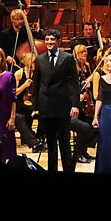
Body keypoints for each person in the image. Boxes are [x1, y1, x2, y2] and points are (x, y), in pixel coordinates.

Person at [34, 29, 80, 172]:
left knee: (65, 143)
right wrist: (35, 107)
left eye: (52, 39)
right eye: (47, 39)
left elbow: (75, 83)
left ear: (58, 41)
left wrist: (75, 105)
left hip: (62, 106)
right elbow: (36, 84)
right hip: (46, 106)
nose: (49, 42)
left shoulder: (67, 58)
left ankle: (68, 170)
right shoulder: (39, 59)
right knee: (51, 144)